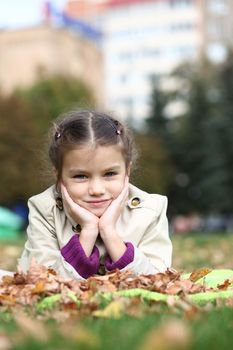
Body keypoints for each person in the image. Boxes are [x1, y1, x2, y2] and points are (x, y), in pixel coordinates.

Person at [18, 110, 172, 280]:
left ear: (127, 170)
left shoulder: (150, 210)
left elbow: (158, 280)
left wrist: (109, 232)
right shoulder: (45, 210)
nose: (97, 189)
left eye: (109, 174)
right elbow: (42, 281)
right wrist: (89, 230)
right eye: (80, 176)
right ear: (59, 175)